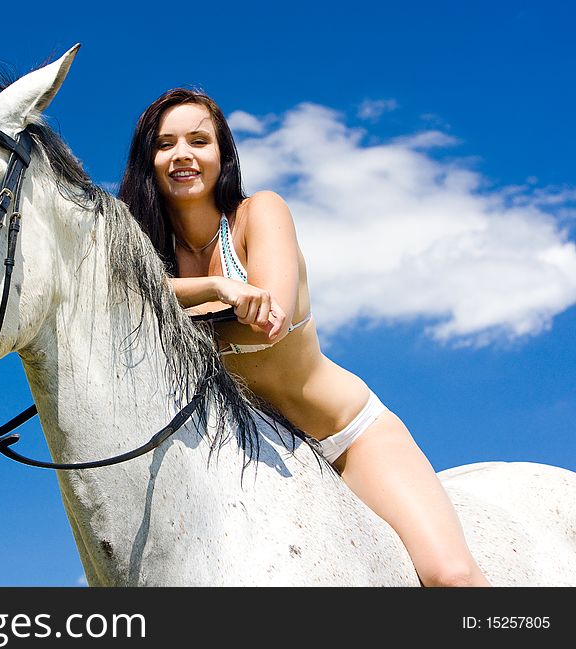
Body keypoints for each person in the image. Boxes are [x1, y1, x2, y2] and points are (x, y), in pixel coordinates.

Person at [119, 88, 491, 587]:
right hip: (250, 463)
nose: (182, 154)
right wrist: (212, 285)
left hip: (343, 438)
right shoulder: (144, 254)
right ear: (149, 160)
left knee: (450, 577)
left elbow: (268, 313)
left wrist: (187, 299)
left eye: (198, 141)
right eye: (165, 144)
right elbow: (120, 296)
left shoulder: (260, 213)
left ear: (222, 156)